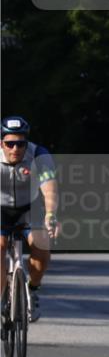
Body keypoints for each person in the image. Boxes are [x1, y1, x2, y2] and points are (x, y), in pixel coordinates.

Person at [0, 116, 59, 322]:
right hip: (1, 209)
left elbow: (49, 189)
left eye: (20, 144)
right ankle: (0, 298)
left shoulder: (38, 155)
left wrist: (51, 214)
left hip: (29, 208)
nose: (15, 148)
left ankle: (32, 290)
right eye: (10, 144)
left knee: (42, 245)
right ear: (1, 143)